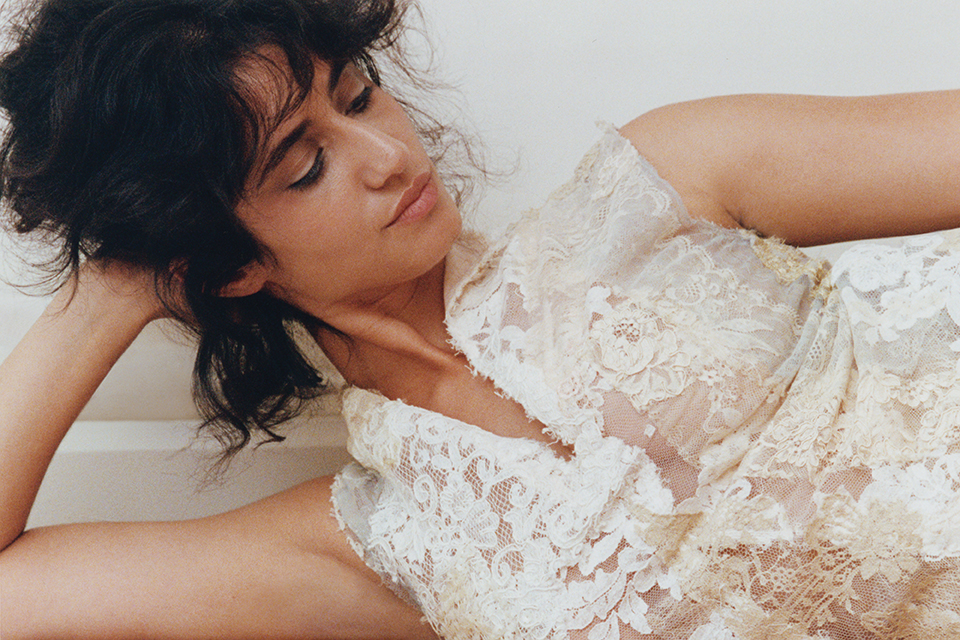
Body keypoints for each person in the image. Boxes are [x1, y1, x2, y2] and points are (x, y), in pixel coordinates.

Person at [3, 0, 960, 638]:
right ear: (230, 264)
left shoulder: (667, 183)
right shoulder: (385, 541)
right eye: (306, 166)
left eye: (361, 95)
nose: (388, 154)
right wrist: (116, 288)